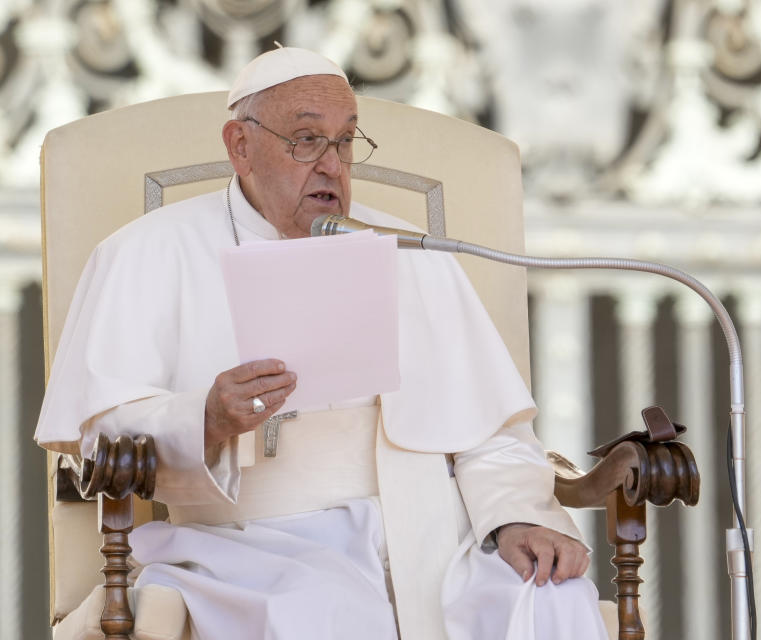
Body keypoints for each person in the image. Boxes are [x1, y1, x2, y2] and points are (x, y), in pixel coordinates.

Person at [35, 46, 608, 640]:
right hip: (248, 545)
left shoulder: (408, 249)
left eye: (345, 141)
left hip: (432, 535)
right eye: (307, 140)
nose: (333, 165)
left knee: (551, 598)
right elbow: (98, 437)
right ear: (240, 146)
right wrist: (202, 419)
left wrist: (514, 517)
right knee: (325, 613)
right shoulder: (146, 252)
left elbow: (494, 434)